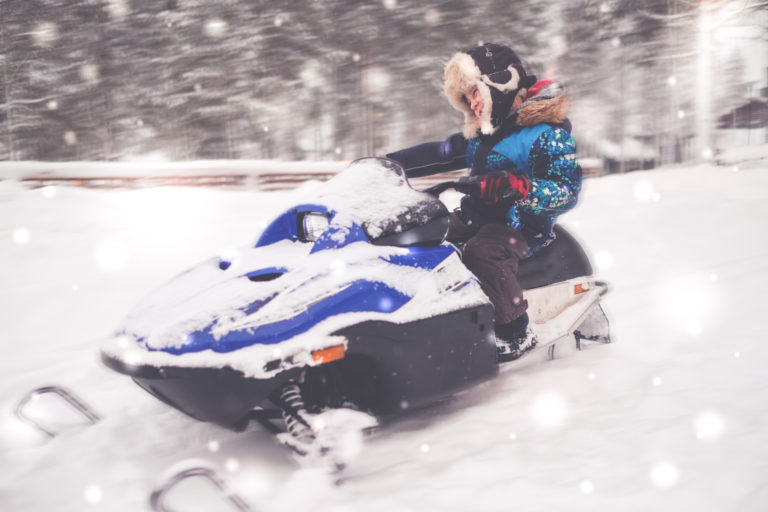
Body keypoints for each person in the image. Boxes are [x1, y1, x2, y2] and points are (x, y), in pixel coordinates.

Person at [386, 43, 582, 361]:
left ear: (500, 84)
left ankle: (514, 332)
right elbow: (442, 152)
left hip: (521, 226)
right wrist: (388, 162)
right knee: (422, 236)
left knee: (482, 253)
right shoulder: (486, 132)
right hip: (476, 217)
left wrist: (520, 187)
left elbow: (566, 191)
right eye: (466, 98)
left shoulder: (547, 133)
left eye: (475, 92)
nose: (472, 103)